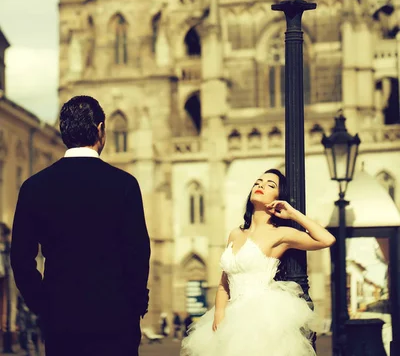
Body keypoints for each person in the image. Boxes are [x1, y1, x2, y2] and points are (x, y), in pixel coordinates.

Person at [11, 95, 151, 356]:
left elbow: (20, 259)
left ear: (64, 132)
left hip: (61, 321)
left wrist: (43, 304)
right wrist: (135, 306)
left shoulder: (34, 187)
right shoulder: (124, 185)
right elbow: (138, 254)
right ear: (100, 130)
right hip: (116, 319)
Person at [180, 169, 335, 356]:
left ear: (278, 197)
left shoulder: (279, 234)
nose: (261, 185)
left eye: (271, 185)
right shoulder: (235, 233)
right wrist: (219, 313)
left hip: (262, 317)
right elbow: (224, 283)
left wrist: (293, 214)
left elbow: (326, 240)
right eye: (258, 182)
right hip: (231, 317)